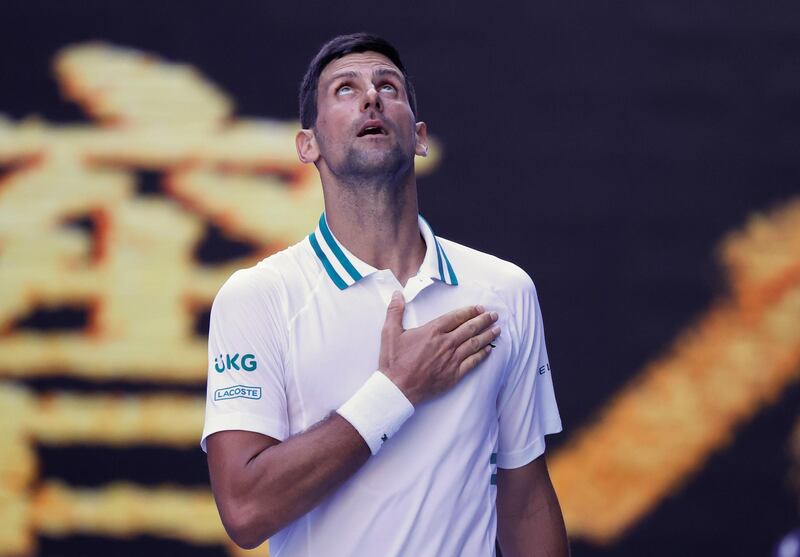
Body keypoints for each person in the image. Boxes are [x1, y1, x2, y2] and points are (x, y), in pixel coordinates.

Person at [201, 32, 568, 557]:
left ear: (419, 136)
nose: (371, 97)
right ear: (309, 145)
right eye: (344, 90)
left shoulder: (504, 290)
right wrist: (397, 391)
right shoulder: (258, 296)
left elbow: (526, 500)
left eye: (388, 87)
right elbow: (244, 511)